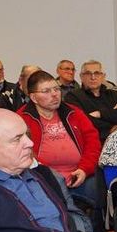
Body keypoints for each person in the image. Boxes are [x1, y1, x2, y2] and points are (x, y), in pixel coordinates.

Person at [18, 70, 102, 214]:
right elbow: (21, 151)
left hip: (80, 174)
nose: (55, 94)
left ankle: (94, 228)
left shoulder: (73, 112)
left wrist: (84, 169)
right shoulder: (21, 118)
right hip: (43, 178)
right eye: (46, 91)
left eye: (56, 89)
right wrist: (47, 174)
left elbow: (92, 142)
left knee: (96, 197)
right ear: (33, 97)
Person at [66, 60, 117, 143]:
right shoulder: (72, 96)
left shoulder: (113, 94)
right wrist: (111, 127)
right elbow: (82, 122)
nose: (93, 77)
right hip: (92, 142)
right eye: (88, 73)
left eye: (97, 73)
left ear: (103, 76)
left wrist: (100, 114)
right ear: (81, 76)